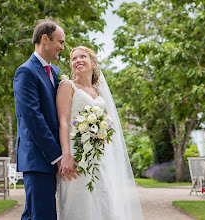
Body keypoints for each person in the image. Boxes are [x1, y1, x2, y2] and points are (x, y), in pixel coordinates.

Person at [56, 46, 144, 220]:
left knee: (102, 198)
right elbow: (63, 122)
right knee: (80, 201)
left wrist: (101, 134)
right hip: (76, 154)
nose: (77, 61)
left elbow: (107, 123)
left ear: (93, 63)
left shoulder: (99, 91)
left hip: (98, 156)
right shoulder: (68, 86)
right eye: (74, 59)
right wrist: (65, 155)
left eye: (82, 57)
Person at [13, 19, 76, 220]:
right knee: (43, 215)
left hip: (52, 158)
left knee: (34, 215)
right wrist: (57, 156)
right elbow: (33, 118)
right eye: (60, 42)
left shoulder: (55, 72)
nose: (62, 48)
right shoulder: (26, 71)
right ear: (45, 39)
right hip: (37, 159)